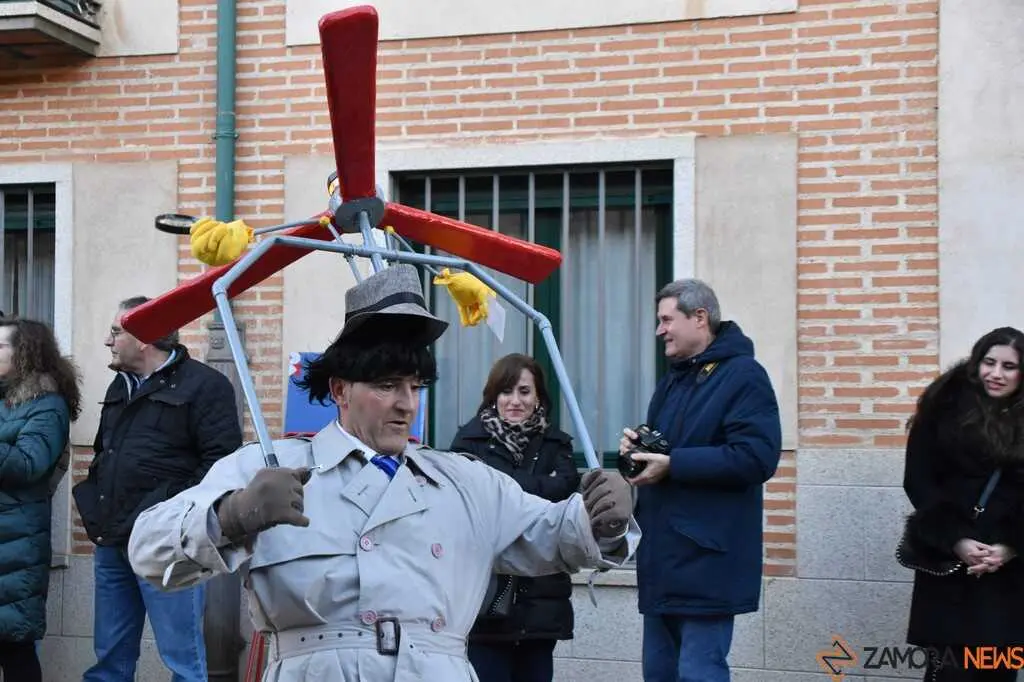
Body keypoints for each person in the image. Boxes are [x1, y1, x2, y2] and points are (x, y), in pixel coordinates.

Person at [125, 263, 639, 682]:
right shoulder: (270, 468)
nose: (406, 405)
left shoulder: (465, 482)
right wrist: (232, 515)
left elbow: (552, 533)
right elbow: (148, 548)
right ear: (340, 390)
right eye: (387, 385)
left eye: (415, 386)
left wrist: (603, 517)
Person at [72, 296, 243, 682]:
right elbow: (105, 452)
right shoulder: (120, 385)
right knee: (109, 660)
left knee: (183, 661)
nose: (108, 341)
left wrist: (170, 515)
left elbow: (221, 465)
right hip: (112, 541)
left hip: (170, 546)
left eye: (116, 332)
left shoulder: (205, 386)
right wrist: (96, 506)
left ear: (144, 337)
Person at [619, 278, 781, 682]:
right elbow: (665, 456)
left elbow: (756, 457)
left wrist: (674, 464)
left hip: (706, 563)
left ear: (700, 317)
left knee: (698, 674)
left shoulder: (744, 376)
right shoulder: (673, 381)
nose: (660, 331)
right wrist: (635, 454)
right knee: (659, 674)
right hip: (663, 562)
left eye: (666, 320)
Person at [450, 353, 581, 682]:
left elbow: (566, 495)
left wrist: (500, 485)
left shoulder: (557, 443)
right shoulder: (469, 442)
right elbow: (466, 504)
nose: (515, 401)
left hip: (542, 600)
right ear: (493, 396)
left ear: (538, 397)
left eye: (524, 391)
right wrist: (541, 488)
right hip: (485, 601)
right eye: (506, 391)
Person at [903, 327, 1024, 681]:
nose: (996, 374)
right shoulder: (943, 408)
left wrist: (1011, 547)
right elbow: (919, 480)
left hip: (1008, 576)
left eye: (1009, 366)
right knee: (950, 671)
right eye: (989, 362)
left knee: (997, 671)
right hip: (951, 567)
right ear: (976, 363)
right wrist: (955, 538)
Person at [0, 318, 80, 682]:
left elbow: (29, 464)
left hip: (16, 546)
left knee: (14, 647)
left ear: (25, 353)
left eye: (1, 345)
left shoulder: (47, 405)